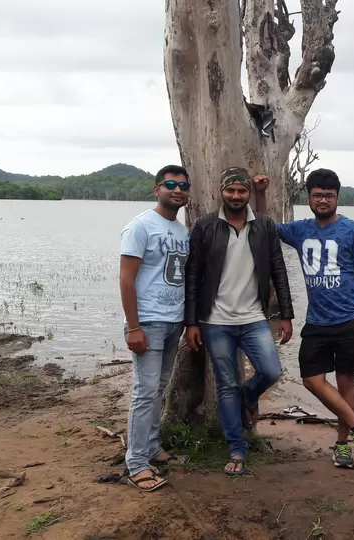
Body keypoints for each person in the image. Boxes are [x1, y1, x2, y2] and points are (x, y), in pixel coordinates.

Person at [252, 169, 354, 470]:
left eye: (329, 195)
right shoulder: (300, 230)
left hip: (350, 320)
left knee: (345, 382)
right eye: (317, 195)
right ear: (308, 197)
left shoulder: (353, 230)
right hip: (317, 321)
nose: (323, 200)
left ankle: (343, 444)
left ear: (337, 198)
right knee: (311, 379)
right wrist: (259, 194)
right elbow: (264, 225)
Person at [183, 166, 294, 477]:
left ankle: (249, 395)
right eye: (230, 190)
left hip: (254, 317)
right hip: (215, 321)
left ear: (248, 194)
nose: (235, 196)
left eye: (241, 191)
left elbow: (279, 271)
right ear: (221, 191)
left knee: (271, 370)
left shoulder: (265, 226)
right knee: (227, 384)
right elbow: (192, 276)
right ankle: (237, 447)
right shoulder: (206, 226)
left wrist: (287, 314)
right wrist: (191, 322)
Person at [119, 164, 192, 492]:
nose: (177, 190)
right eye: (171, 184)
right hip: (146, 322)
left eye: (183, 186)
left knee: (159, 389)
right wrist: (134, 326)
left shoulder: (181, 231)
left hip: (172, 321)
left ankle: (150, 447)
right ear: (157, 189)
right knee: (144, 392)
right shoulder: (140, 226)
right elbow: (126, 278)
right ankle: (136, 463)